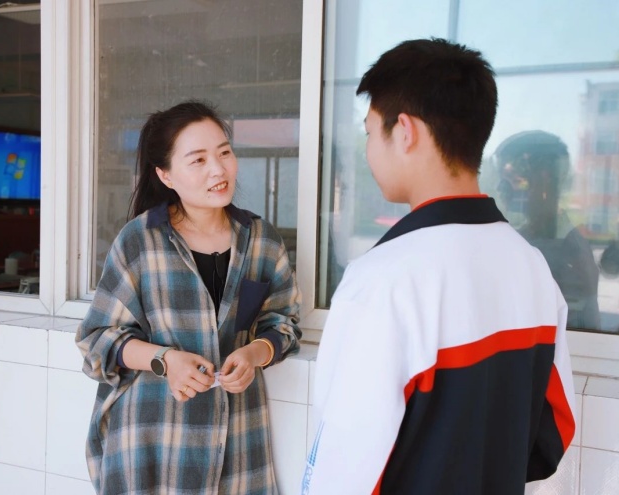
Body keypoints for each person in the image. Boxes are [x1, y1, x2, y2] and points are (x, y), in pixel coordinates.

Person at [301, 38, 576, 495]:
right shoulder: (531, 266)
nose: (368, 149)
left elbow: (342, 472)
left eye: (369, 132)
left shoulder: (383, 280)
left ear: (404, 131)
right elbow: (555, 431)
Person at [76, 100, 302, 494]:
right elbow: (97, 339)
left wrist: (255, 353)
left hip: (239, 441)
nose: (218, 169)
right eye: (198, 160)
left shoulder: (262, 241)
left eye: (224, 153)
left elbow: (284, 324)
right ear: (165, 174)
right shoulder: (139, 241)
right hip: (154, 440)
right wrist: (165, 361)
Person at [494, 130, 600, 329]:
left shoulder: (571, 251)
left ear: (544, 180)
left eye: (511, 180)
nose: (501, 189)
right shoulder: (521, 238)